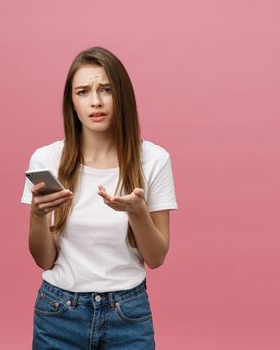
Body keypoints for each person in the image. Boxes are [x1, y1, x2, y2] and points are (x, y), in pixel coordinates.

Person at [21, 46, 178, 349]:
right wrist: (38, 216)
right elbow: (44, 260)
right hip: (58, 314)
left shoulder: (154, 159)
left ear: (122, 95)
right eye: (83, 92)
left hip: (128, 315)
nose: (96, 101)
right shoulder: (46, 159)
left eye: (106, 89)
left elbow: (156, 258)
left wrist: (137, 212)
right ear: (72, 103)